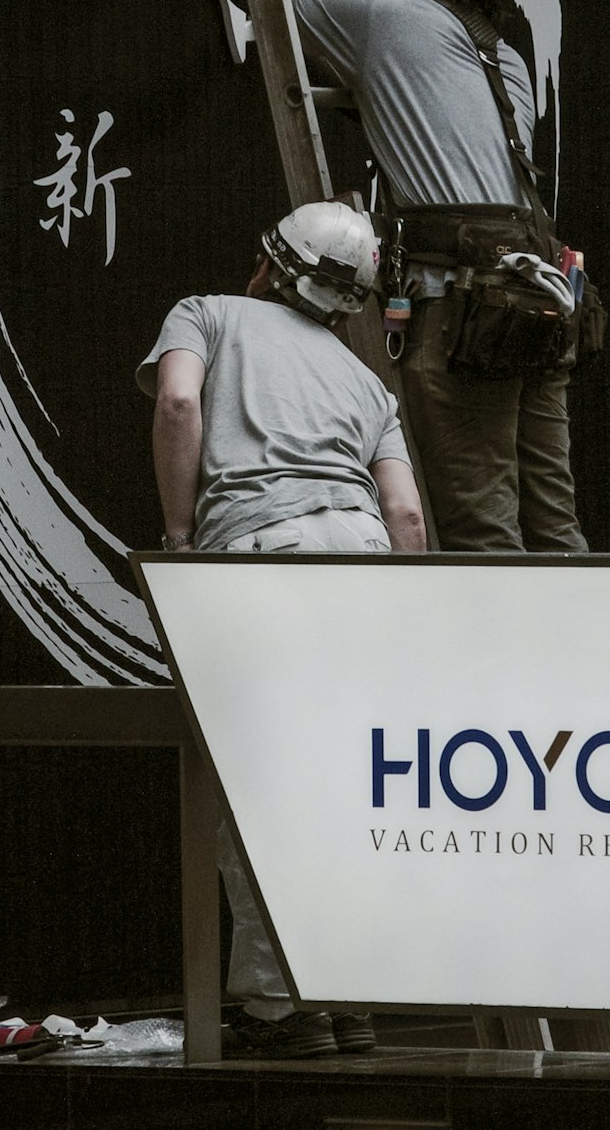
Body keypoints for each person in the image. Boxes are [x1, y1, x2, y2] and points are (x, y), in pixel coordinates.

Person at [189, 0, 588, 557]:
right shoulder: (510, 63)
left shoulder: (386, 20)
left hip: (469, 315)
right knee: (554, 524)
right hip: (544, 305)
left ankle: (505, 664)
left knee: (480, 531)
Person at [138, 201, 425, 1060]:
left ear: (269, 262)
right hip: (363, 559)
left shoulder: (206, 314)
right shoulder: (368, 383)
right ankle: (349, 999)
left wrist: (183, 538)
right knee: (342, 789)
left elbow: (179, 403)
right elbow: (406, 515)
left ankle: (279, 1010)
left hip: (267, 557)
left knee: (257, 787)